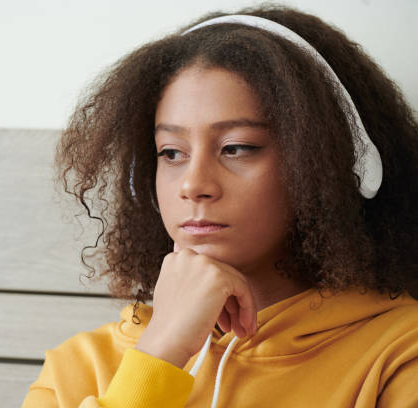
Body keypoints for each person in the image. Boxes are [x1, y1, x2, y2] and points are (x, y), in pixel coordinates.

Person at [22, 4, 418, 407]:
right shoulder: (76, 368)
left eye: (236, 148)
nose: (193, 185)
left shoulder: (401, 357)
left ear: (333, 163)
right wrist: (159, 354)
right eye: (171, 153)